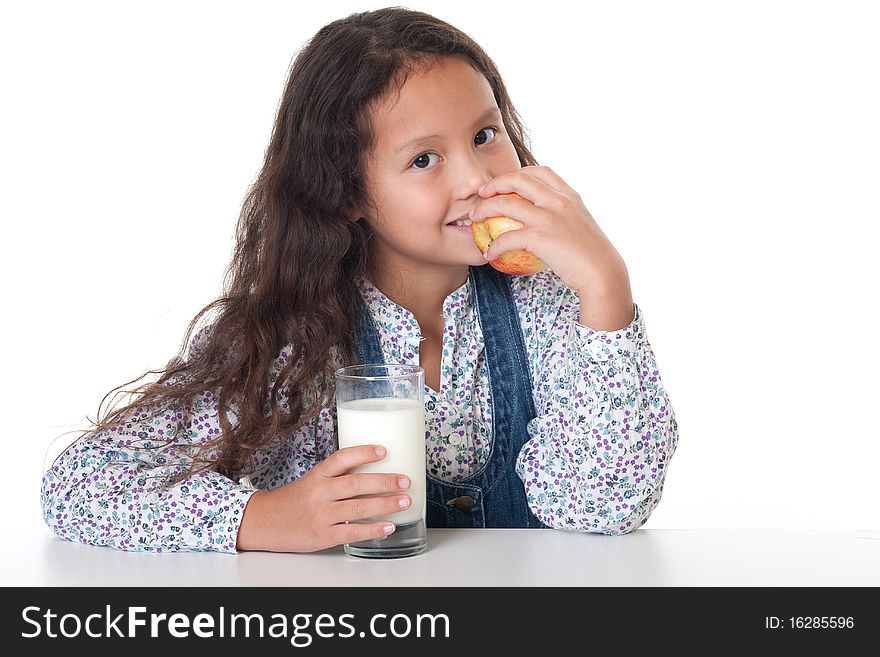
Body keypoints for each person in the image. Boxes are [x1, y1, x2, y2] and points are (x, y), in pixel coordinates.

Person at [41, 7, 679, 554]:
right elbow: (80, 486)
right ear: (345, 191)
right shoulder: (290, 336)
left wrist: (605, 285)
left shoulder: (555, 307)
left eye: (486, 135)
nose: (475, 180)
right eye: (423, 159)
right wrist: (261, 518)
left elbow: (603, 508)